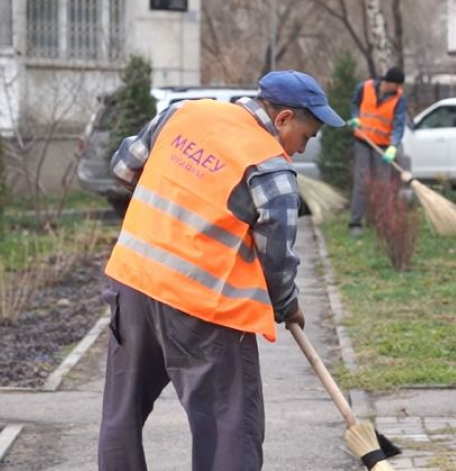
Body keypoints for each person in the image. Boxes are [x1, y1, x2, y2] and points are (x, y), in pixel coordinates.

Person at [97, 70, 344, 471]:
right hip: (203, 310)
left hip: (133, 286)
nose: (300, 149)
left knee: (121, 415)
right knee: (230, 432)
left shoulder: (182, 115)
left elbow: (124, 169)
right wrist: (287, 305)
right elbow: (276, 258)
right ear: (283, 120)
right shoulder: (271, 170)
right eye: (306, 136)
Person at [347, 67, 408, 236]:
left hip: (382, 146)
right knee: (361, 183)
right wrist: (355, 117)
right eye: (396, 85)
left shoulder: (399, 99)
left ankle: (381, 222)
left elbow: (399, 124)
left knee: (383, 185)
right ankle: (355, 223)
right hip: (363, 140)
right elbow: (354, 104)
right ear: (388, 82)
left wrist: (393, 146)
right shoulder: (364, 87)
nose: (398, 89)